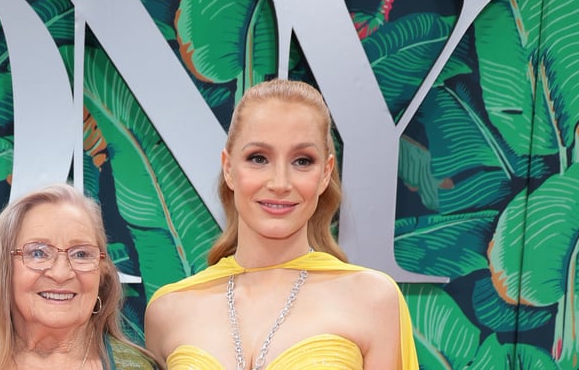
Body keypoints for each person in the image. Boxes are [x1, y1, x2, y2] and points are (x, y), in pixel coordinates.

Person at [144, 79, 418, 369]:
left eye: (302, 161)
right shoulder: (167, 311)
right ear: (228, 168)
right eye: (258, 158)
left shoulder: (373, 299)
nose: (280, 183)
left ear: (325, 173)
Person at [0, 183, 158, 369]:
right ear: (3, 269)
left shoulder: (135, 366)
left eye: (81, 253)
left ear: (103, 272)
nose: (61, 273)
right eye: (38, 253)